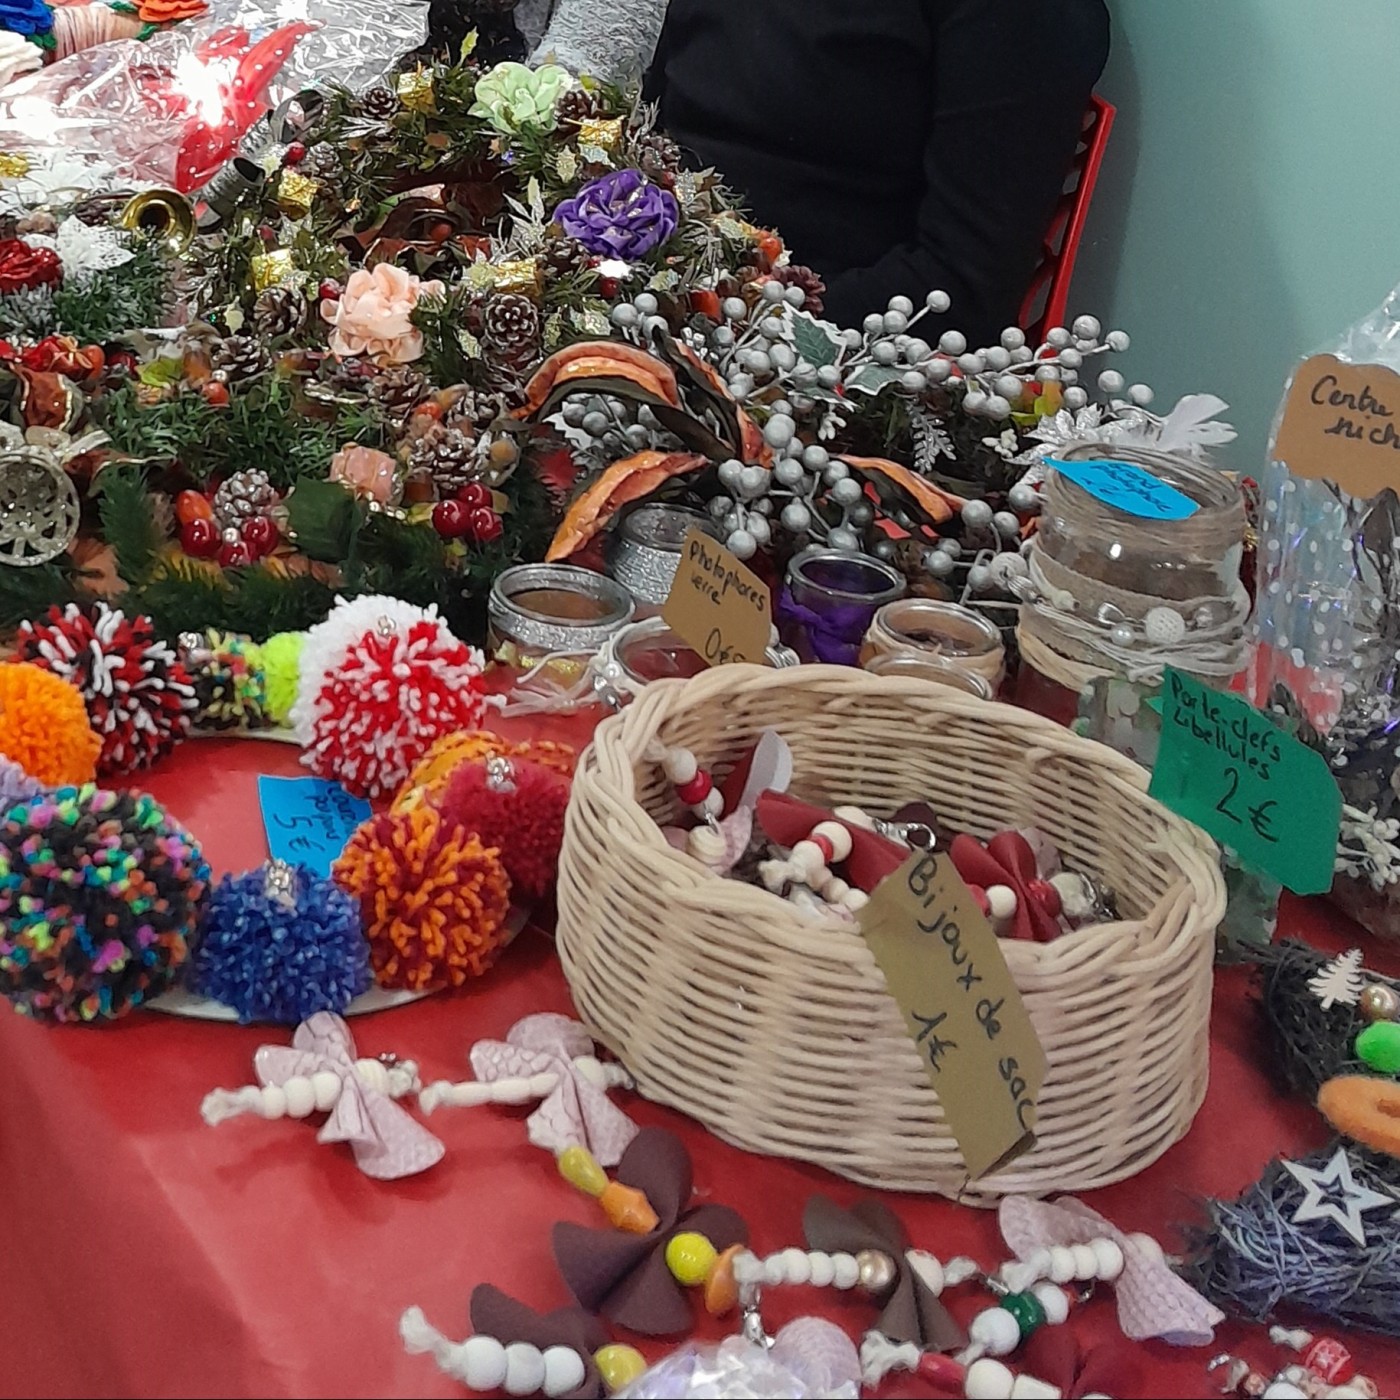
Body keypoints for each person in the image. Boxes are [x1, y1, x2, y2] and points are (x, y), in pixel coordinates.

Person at [645, 1, 1111, 341]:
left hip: (801, 350)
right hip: (651, 279)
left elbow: (964, 288)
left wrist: (733, 315)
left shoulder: (1022, 15)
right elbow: (651, 128)